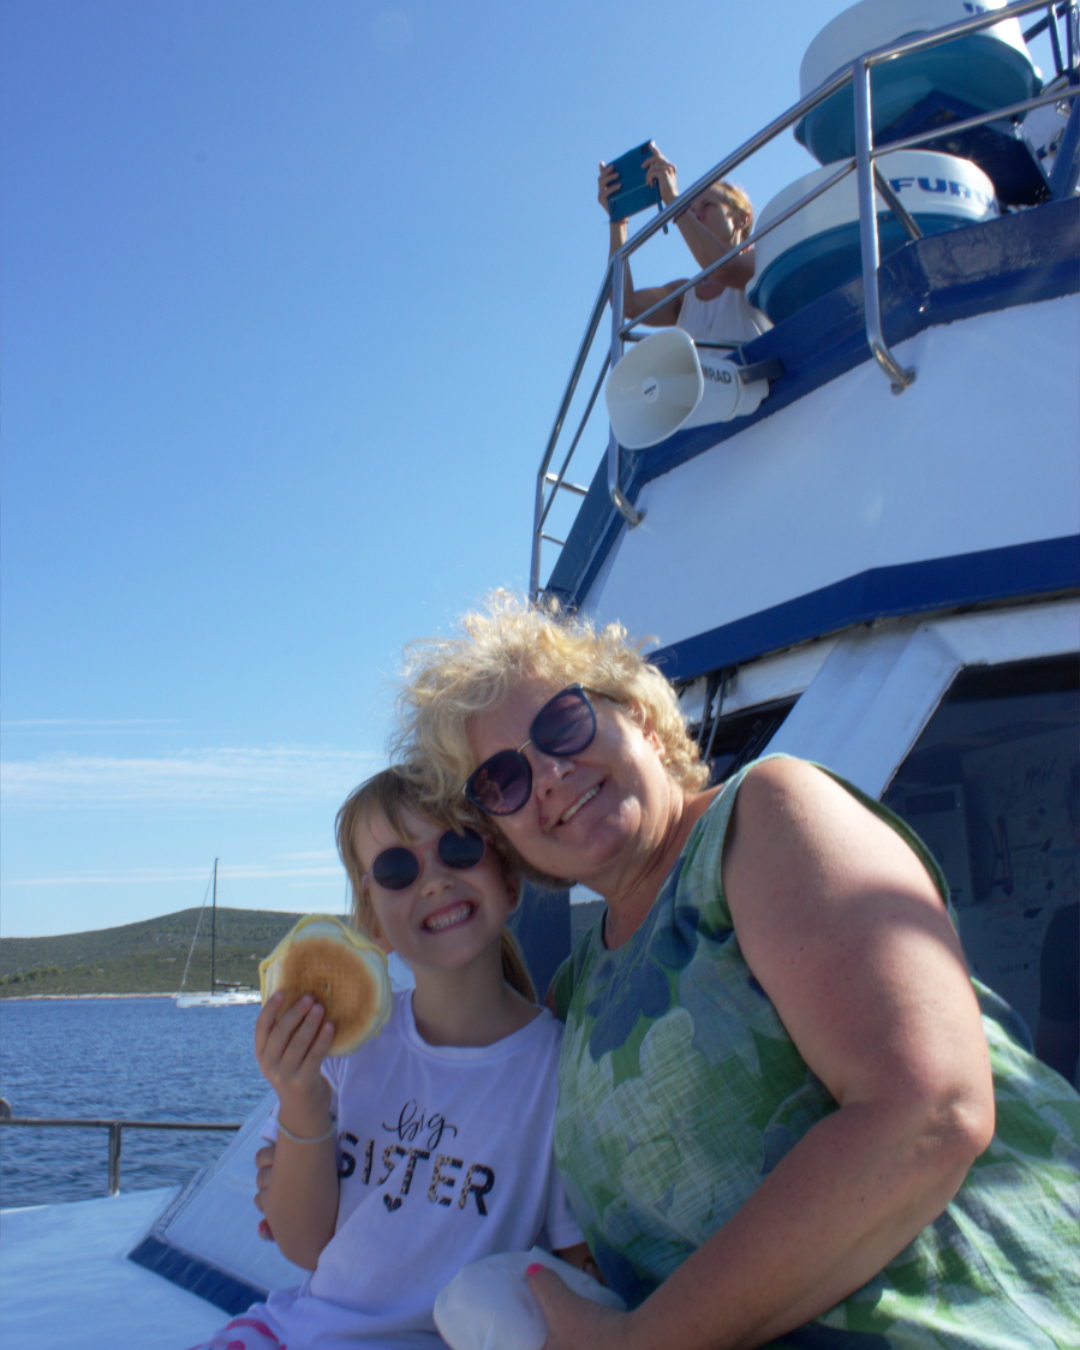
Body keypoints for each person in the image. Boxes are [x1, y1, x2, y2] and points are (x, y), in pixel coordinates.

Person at [394, 591, 1080, 1350]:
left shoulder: (766, 816)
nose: (548, 775)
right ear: (504, 836)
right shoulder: (579, 987)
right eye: (502, 781)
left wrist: (645, 1341)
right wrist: (308, 1130)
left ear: (645, 721)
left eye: (563, 722)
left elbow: (929, 1112)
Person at [188, 767, 590, 1350]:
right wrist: (303, 1101)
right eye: (397, 869)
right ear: (373, 918)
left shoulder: (557, 1072)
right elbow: (304, 1246)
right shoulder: (347, 1048)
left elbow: (576, 1267)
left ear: (507, 875)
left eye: (458, 846)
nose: (433, 880)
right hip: (295, 1331)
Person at [599, 143, 771, 345]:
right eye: (690, 209)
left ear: (743, 218)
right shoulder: (685, 294)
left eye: (708, 205)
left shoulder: (763, 258)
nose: (696, 215)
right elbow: (626, 304)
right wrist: (617, 221)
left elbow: (726, 269)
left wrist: (673, 200)